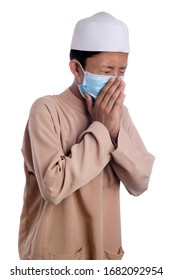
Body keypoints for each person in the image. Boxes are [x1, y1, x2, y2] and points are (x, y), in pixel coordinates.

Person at [18, 11, 155, 260]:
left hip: (103, 254)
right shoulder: (46, 109)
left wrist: (114, 130)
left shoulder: (119, 115)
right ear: (76, 68)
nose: (115, 79)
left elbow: (141, 181)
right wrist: (102, 130)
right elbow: (53, 187)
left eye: (121, 70)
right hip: (55, 259)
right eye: (106, 70)